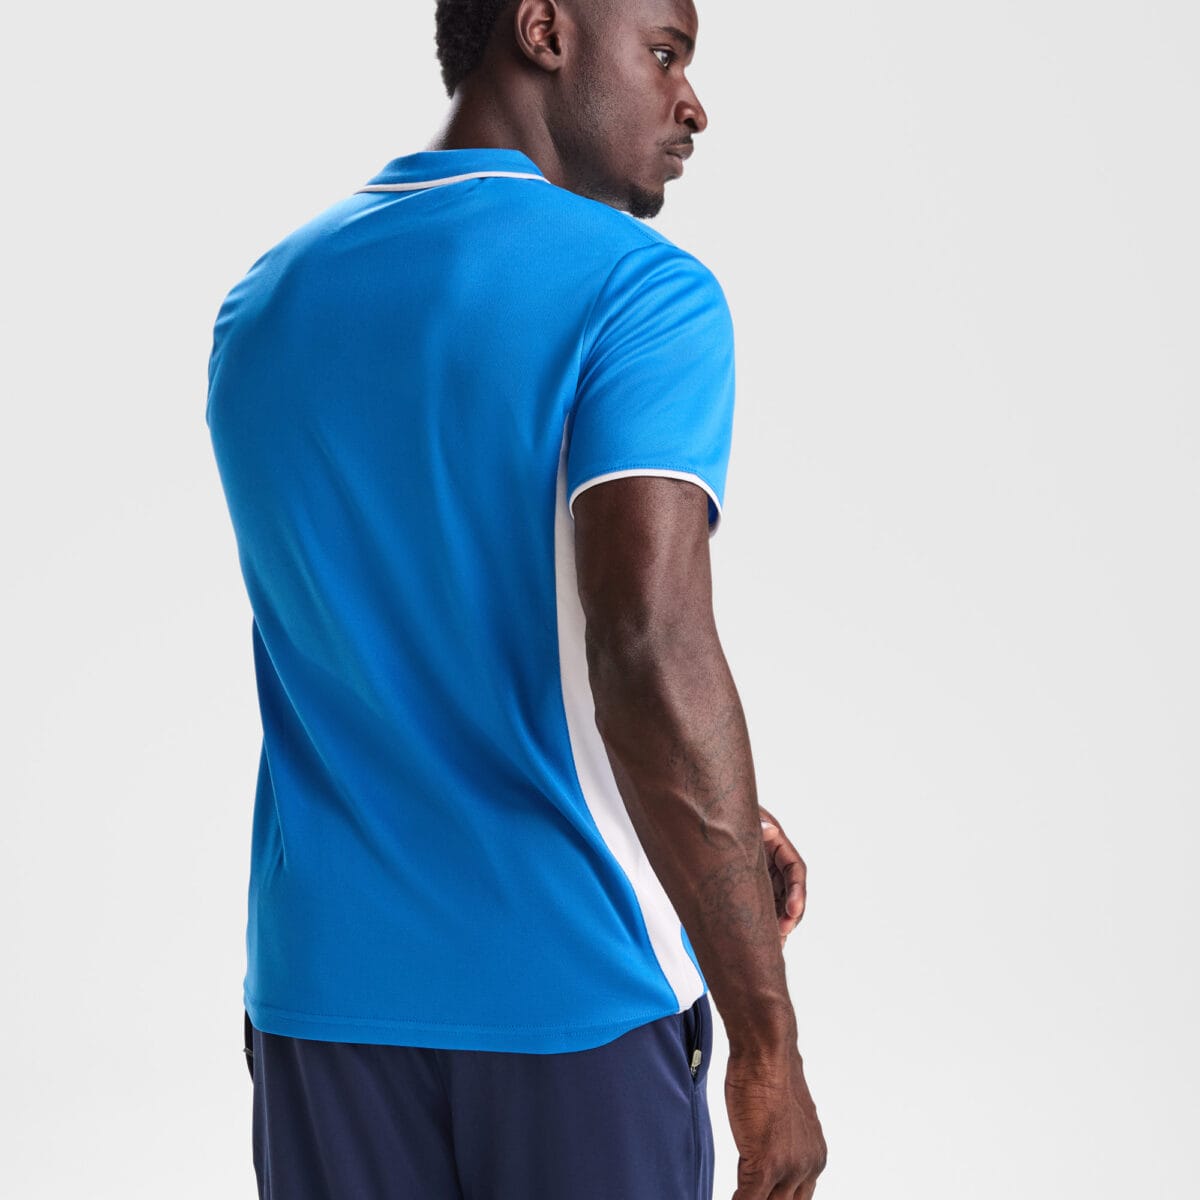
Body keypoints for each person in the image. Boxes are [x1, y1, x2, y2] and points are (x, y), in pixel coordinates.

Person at [206, 0, 827, 1196]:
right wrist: (769, 1043)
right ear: (544, 29)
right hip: (571, 996)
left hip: (321, 996)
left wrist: (700, 823)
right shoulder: (639, 293)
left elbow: (402, 636)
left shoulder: (267, 302)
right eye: (665, 52)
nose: (692, 105)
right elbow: (646, 650)